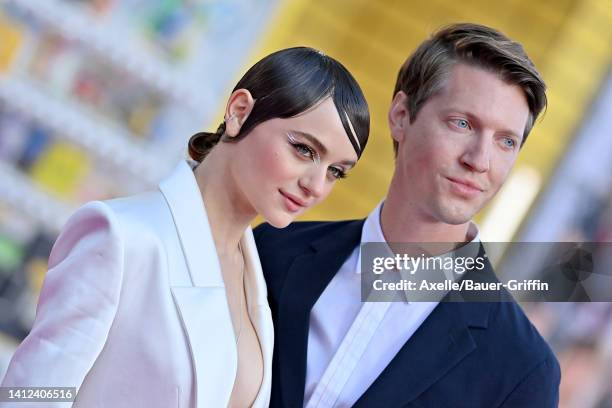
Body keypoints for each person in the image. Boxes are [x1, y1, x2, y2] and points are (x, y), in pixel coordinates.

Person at [0, 47, 370, 407]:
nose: (317, 185)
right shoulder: (123, 237)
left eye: (336, 171)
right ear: (240, 111)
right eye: (304, 149)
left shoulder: (258, 276)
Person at [254, 24, 560, 407]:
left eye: (506, 142)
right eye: (462, 123)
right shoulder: (271, 252)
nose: (479, 161)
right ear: (401, 115)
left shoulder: (521, 370)